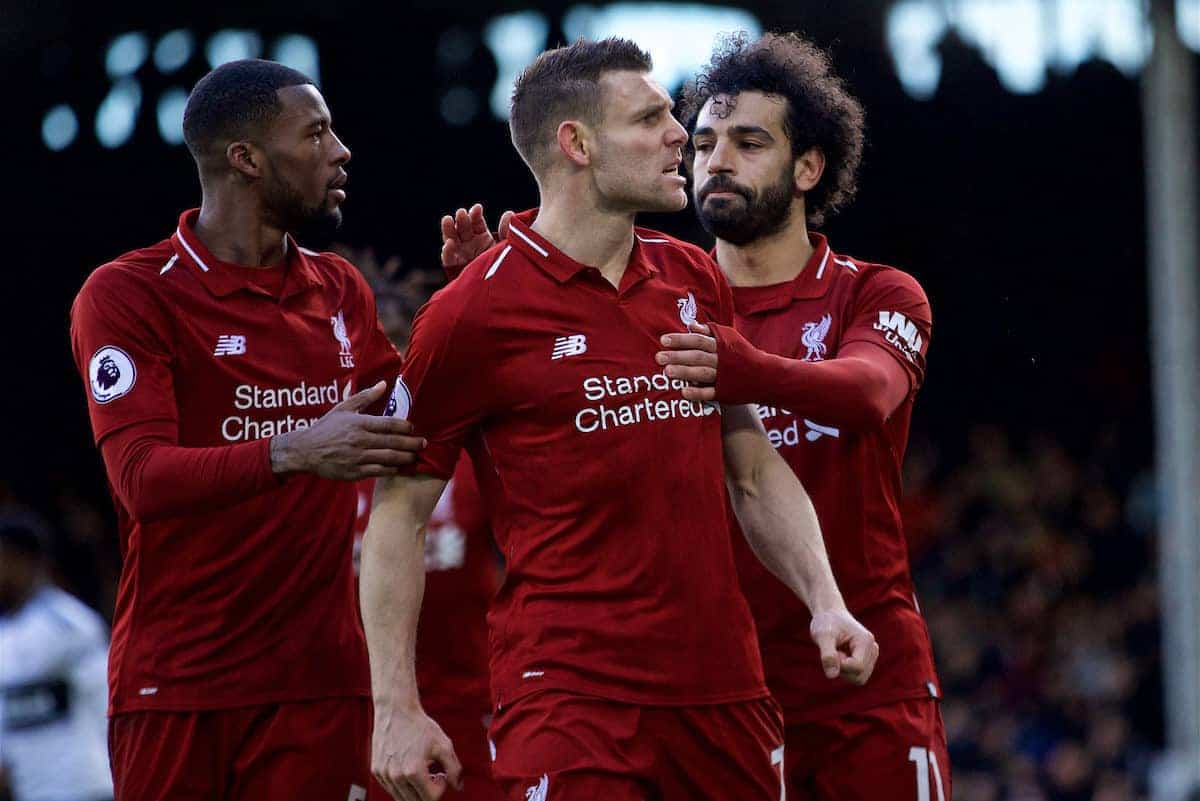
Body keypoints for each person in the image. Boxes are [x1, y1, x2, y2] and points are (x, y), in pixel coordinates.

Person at [361, 38, 877, 801]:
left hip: (724, 695)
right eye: (651, 118)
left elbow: (753, 464)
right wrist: (396, 706)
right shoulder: (473, 311)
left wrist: (826, 599)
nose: (682, 134)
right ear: (576, 143)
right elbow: (396, 515)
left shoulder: (693, 275)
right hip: (571, 701)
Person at [68, 59, 423, 801]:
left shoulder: (339, 290)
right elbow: (141, 478)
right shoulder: (130, 293)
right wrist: (294, 449)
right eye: (317, 132)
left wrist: (477, 304)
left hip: (319, 684)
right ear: (246, 159)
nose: (341, 151)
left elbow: (417, 412)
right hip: (178, 682)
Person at [338, 250, 504, 801]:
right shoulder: (328, 468)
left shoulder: (472, 458)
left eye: (399, 355)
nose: (387, 380)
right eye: (371, 354)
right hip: (366, 720)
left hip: (477, 715)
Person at [0, 515, 112, 801]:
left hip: (85, 787)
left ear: (24, 561)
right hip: (32, 791)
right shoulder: (6, 632)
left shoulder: (69, 624)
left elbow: (106, 702)